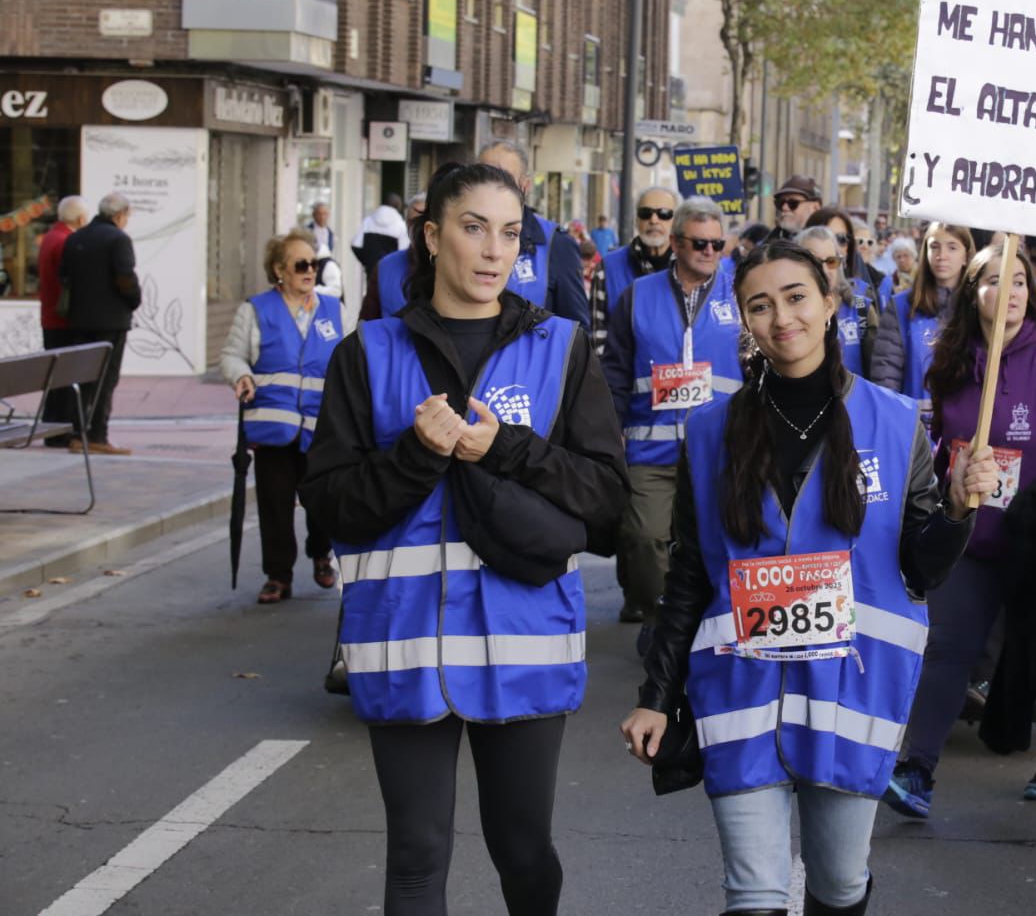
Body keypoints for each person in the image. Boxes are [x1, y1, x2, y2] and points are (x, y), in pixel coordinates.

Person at [620, 240, 995, 916]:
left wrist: (959, 510)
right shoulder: (708, 431)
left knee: (839, 886)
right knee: (753, 896)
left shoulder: (895, 420)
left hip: (850, 696)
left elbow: (921, 567)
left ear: (829, 305)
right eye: (760, 306)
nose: (781, 318)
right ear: (744, 320)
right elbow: (690, 578)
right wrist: (655, 696)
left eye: (795, 297)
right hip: (741, 693)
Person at [299, 162, 627, 915]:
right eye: (473, 228)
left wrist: (506, 448)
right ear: (430, 235)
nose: (492, 251)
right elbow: (329, 507)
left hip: (524, 640)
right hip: (403, 642)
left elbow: (607, 497)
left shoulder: (561, 346)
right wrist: (416, 455)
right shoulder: (367, 352)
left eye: (509, 234)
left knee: (522, 847)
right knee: (416, 854)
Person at [886, 244, 1036, 816]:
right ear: (972, 293)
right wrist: (952, 483)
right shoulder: (952, 360)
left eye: (1018, 281)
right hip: (974, 537)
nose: (1008, 292)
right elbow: (942, 447)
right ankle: (917, 768)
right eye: (993, 280)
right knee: (948, 648)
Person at [602, 198, 742, 641]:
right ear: (677, 243)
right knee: (642, 537)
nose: (709, 251)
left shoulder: (741, 292)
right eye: (699, 243)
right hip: (651, 449)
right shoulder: (637, 296)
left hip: (722, 451)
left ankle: (701, 630)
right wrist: (610, 432)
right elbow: (614, 372)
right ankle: (662, 620)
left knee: (720, 545)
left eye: (717, 244)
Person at [221, 230, 342, 605]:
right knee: (274, 504)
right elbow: (232, 355)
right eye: (301, 264)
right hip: (274, 425)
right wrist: (241, 375)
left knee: (323, 499)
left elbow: (351, 358)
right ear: (279, 270)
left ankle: (321, 553)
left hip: (321, 426)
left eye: (314, 264)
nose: (310, 271)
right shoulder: (256, 309)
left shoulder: (334, 309)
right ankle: (278, 575)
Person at [59, 192, 141, 456]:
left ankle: (77, 433)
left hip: (79, 320)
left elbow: (64, 276)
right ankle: (97, 435)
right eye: (127, 216)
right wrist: (134, 301)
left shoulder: (76, 238)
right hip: (111, 321)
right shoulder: (118, 239)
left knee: (83, 377)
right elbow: (125, 277)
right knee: (106, 379)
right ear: (120, 215)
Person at [479, 138, 592, 331]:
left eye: (504, 178)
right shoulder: (458, 236)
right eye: (483, 177)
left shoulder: (556, 243)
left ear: (525, 185)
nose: (492, 187)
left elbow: (576, 331)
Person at [875, 223, 974, 427]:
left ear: (966, 256)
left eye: (952, 247)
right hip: (914, 429)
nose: (941, 255)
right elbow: (886, 377)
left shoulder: (978, 308)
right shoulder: (901, 306)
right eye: (934, 246)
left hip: (966, 430)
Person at [592, 186, 678, 355]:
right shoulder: (608, 269)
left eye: (664, 214)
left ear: (677, 222)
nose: (654, 220)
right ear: (636, 220)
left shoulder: (689, 267)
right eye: (646, 213)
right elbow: (598, 340)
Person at [37, 195, 92, 445]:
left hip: (50, 317)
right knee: (65, 379)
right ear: (80, 219)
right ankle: (60, 431)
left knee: (57, 379)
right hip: (63, 320)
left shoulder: (51, 236)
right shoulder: (66, 241)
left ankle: (54, 428)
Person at [797, 226, 880, 380]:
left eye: (831, 261)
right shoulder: (788, 315)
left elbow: (878, 372)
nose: (824, 270)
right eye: (814, 262)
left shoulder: (861, 308)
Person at [367, 194, 428, 321]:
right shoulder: (384, 267)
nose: (417, 228)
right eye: (412, 222)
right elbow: (368, 323)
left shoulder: (450, 269)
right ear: (406, 224)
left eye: (423, 221)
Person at [353, 193, 409, 275]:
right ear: (397, 206)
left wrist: (367, 262)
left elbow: (356, 246)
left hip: (371, 271)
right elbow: (403, 252)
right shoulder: (401, 226)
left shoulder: (368, 221)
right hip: (391, 272)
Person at [769, 175, 822, 239]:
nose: (784, 208)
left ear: (815, 207)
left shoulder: (827, 241)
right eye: (781, 203)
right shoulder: (769, 241)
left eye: (793, 203)